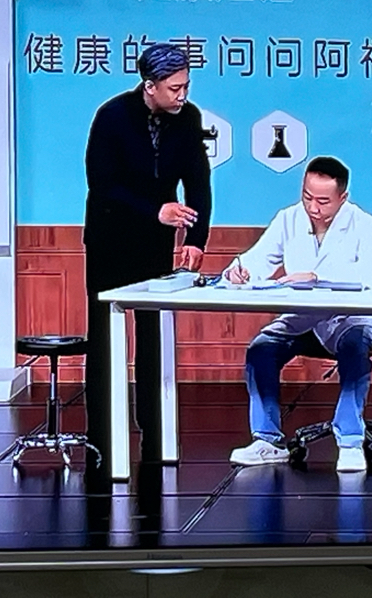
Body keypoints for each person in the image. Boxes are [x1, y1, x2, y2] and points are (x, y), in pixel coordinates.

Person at [83, 42, 212, 475]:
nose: (182, 95)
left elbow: (198, 181)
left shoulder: (188, 118)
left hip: (156, 245)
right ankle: (102, 431)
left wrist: (196, 238)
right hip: (110, 240)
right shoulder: (112, 116)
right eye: (174, 88)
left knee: (154, 336)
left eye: (186, 86)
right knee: (105, 336)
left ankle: (154, 429)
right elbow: (103, 184)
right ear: (149, 85)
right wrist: (155, 210)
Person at [225, 156, 372, 473]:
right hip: (306, 318)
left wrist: (316, 276)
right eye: (307, 197)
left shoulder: (363, 223)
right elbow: (257, 259)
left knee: (354, 347)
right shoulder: (288, 219)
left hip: (352, 317)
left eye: (323, 201)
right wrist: (239, 272)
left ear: (343, 197)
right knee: (261, 349)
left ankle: (350, 441)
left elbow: (368, 275)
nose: (313, 208)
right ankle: (268, 440)